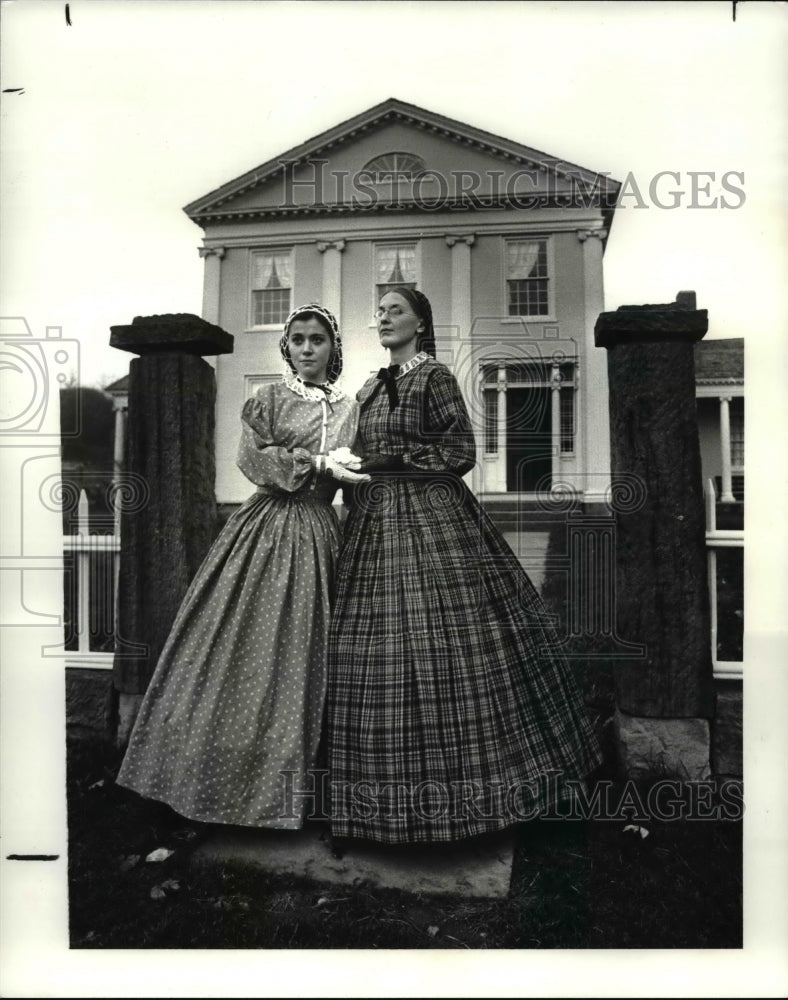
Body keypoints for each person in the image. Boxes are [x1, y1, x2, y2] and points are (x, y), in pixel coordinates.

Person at [326, 288, 602, 845]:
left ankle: (481, 798)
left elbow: (460, 451)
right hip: (373, 524)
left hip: (432, 520)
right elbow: (352, 450)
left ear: (421, 324)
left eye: (395, 310)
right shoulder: (367, 388)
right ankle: (369, 807)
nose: (382, 316)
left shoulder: (436, 379)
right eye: (378, 310)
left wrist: (396, 461)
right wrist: (349, 466)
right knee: (370, 651)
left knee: (445, 645)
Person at [116, 304, 368, 828]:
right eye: (297, 339)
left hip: (322, 532)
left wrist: (348, 477)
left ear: (332, 348)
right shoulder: (269, 399)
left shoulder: (350, 409)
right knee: (243, 644)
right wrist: (316, 462)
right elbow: (251, 459)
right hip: (267, 529)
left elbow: (354, 476)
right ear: (287, 348)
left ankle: (307, 790)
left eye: (316, 340)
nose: (306, 349)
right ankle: (211, 777)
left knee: (312, 649)